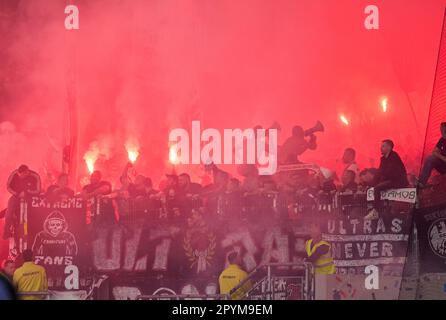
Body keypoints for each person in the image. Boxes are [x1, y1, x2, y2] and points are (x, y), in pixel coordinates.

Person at [365, 140, 408, 220]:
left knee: (377, 188)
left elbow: (390, 172)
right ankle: (378, 210)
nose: (381, 148)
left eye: (383, 146)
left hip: (398, 181)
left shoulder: (394, 156)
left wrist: (380, 181)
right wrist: (370, 184)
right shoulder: (383, 159)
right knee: (375, 187)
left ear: (389, 147)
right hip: (391, 180)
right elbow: (379, 173)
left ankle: (376, 212)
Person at [3, 165, 41, 239]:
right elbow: (8, 186)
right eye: (19, 175)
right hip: (16, 196)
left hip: (30, 198)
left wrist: (27, 192)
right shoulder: (15, 173)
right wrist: (16, 193)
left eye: (23, 175)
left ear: (27, 172)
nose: (20, 176)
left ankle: (33, 232)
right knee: (9, 211)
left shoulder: (35, 176)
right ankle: (6, 232)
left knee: (34, 214)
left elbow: (38, 190)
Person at [305, 221, 335, 300]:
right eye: (310, 228)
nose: (311, 230)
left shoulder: (325, 245)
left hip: (327, 277)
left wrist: (305, 260)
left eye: (314, 227)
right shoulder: (308, 243)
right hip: (315, 277)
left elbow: (313, 257)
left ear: (320, 231)